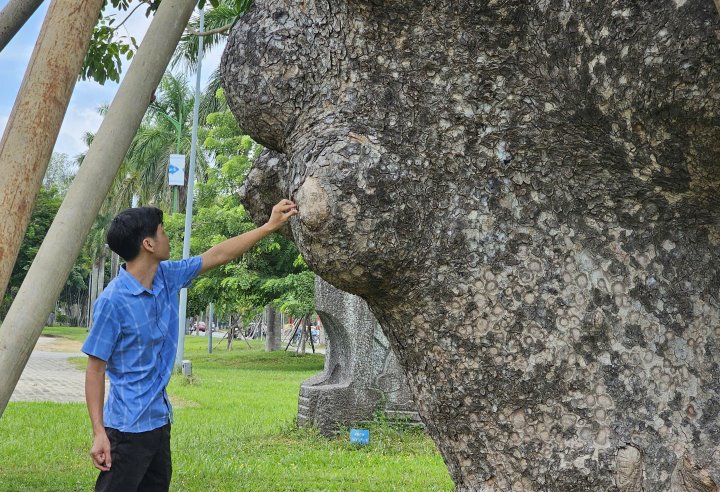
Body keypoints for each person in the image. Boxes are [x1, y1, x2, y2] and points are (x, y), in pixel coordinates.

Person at [82, 199, 297, 492]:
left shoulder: (166, 277)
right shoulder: (112, 301)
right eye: (162, 231)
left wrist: (269, 227)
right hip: (127, 428)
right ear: (148, 243)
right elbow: (95, 370)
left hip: (158, 420)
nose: (167, 237)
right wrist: (99, 433)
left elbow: (218, 254)